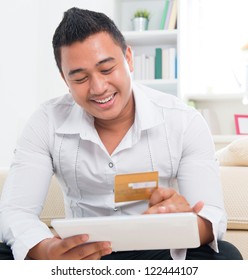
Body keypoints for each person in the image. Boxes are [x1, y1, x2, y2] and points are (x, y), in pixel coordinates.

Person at [0, 7, 242, 260]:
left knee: (225, 256)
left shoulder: (184, 121)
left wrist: (187, 221)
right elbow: (16, 210)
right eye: (80, 78)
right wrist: (46, 251)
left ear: (128, 58)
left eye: (106, 69)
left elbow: (211, 215)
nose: (98, 88)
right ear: (64, 79)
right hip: (83, 257)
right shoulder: (45, 121)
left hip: (157, 252)